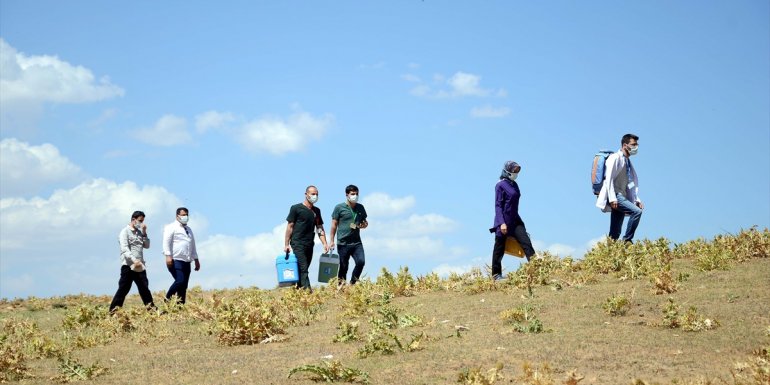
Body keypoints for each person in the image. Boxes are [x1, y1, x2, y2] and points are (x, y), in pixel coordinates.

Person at [490, 161, 536, 280]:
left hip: (515, 220)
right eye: (514, 170)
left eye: (517, 171)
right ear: (507, 170)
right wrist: (501, 223)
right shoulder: (500, 185)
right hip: (503, 221)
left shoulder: (514, 184)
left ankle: (536, 270)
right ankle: (496, 275)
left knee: (526, 243)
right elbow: (498, 206)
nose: (516, 173)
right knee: (499, 249)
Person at [596, 134, 644, 243]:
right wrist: (612, 198)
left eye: (637, 145)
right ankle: (627, 240)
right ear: (625, 145)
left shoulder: (627, 162)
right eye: (633, 144)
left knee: (615, 232)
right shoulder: (615, 158)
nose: (636, 147)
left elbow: (630, 183)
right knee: (637, 212)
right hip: (615, 195)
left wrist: (637, 200)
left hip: (622, 196)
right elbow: (609, 178)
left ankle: (609, 251)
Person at [109, 211, 155, 312]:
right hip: (128, 266)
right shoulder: (124, 232)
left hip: (140, 266)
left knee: (144, 288)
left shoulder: (139, 232)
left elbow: (147, 246)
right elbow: (124, 249)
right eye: (140, 221)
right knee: (123, 289)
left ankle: (152, 310)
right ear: (133, 219)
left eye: (142, 221)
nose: (141, 223)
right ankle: (114, 311)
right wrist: (134, 260)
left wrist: (144, 232)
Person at [285, 185, 329, 289]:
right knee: (303, 268)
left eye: (317, 194)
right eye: (313, 194)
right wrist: (286, 244)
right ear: (306, 194)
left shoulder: (316, 211)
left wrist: (324, 243)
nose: (315, 196)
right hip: (297, 243)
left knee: (302, 269)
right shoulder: (296, 208)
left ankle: (298, 291)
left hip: (309, 244)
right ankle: (308, 293)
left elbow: (319, 228)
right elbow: (290, 226)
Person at [330, 185, 369, 285]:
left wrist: (364, 225)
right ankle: (341, 287)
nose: (355, 196)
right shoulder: (339, 208)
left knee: (361, 262)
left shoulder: (360, 207)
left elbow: (364, 222)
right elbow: (334, 225)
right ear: (347, 195)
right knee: (343, 266)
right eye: (352, 194)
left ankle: (352, 284)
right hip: (343, 242)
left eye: (356, 194)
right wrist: (331, 241)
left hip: (356, 242)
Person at [163, 207, 200, 304]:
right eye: (183, 215)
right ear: (177, 216)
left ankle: (180, 306)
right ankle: (167, 300)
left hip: (187, 261)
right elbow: (166, 242)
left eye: (187, 215)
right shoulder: (171, 227)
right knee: (180, 280)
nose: (185, 217)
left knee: (184, 285)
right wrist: (168, 256)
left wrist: (196, 259)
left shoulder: (189, 229)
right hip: (175, 259)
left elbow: (192, 245)